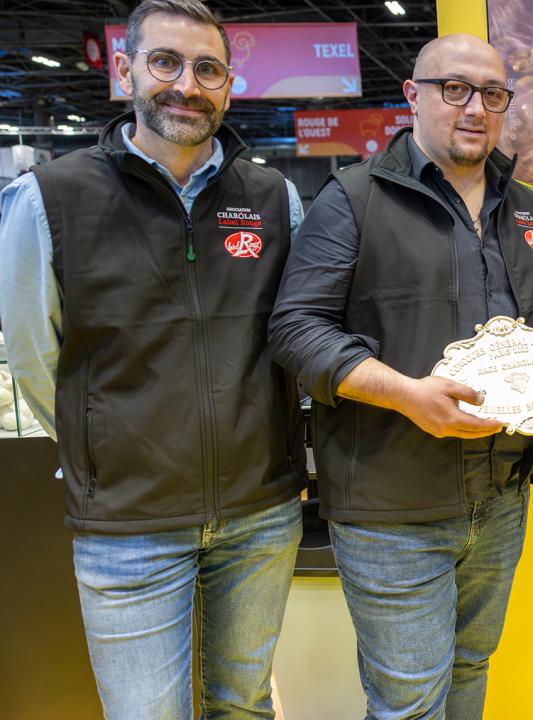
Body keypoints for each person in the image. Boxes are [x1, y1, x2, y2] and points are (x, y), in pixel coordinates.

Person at [0, 1, 306, 717]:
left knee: (244, 703)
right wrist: (103, 444)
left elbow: (296, 334)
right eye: (165, 61)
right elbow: (35, 353)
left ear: (229, 85)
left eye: (208, 69)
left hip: (259, 513)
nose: (187, 85)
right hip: (127, 523)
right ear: (124, 69)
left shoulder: (272, 198)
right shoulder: (50, 198)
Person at [268, 34, 533, 719]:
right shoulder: (352, 199)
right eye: (454, 88)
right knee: (409, 700)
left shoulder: (527, 209)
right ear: (413, 95)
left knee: (470, 670)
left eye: (492, 94)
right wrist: (407, 396)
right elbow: (296, 329)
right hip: (391, 504)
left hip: (500, 497)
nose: (475, 108)